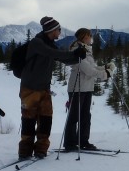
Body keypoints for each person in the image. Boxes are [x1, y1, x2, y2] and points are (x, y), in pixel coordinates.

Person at [17, 16, 83, 159]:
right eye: (58, 29)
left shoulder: (50, 44)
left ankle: (41, 150)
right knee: (29, 120)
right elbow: (52, 53)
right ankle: (25, 152)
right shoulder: (37, 43)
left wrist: (78, 56)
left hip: (44, 89)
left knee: (46, 120)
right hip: (29, 89)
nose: (60, 32)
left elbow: (61, 58)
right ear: (52, 30)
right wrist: (73, 53)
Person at [63, 28, 114, 151]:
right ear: (83, 37)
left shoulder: (87, 50)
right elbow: (87, 70)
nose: (91, 38)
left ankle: (83, 141)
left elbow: (93, 67)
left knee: (85, 116)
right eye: (89, 36)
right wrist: (105, 74)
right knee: (74, 116)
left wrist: (104, 68)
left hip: (86, 87)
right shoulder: (77, 50)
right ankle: (70, 143)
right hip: (77, 87)